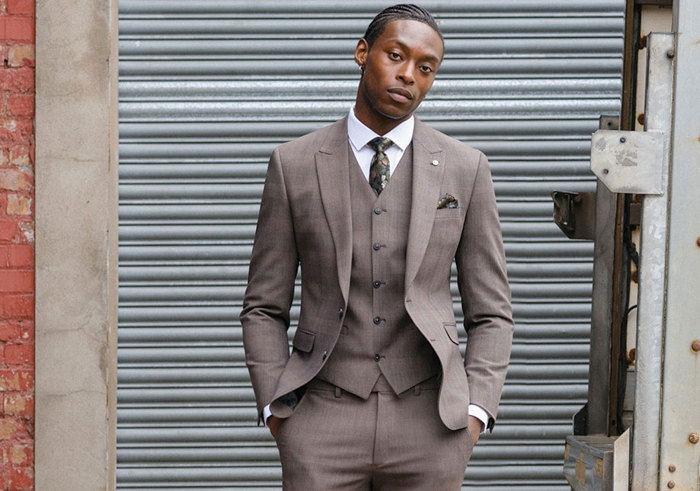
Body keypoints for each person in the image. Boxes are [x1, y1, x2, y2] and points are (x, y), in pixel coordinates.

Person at [240, 4, 514, 489]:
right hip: (320, 415)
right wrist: (276, 410)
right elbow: (263, 305)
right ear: (363, 53)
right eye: (396, 55)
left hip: (430, 422)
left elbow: (491, 311)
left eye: (425, 68)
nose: (408, 75)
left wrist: (475, 412)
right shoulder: (294, 163)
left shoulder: (465, 168)